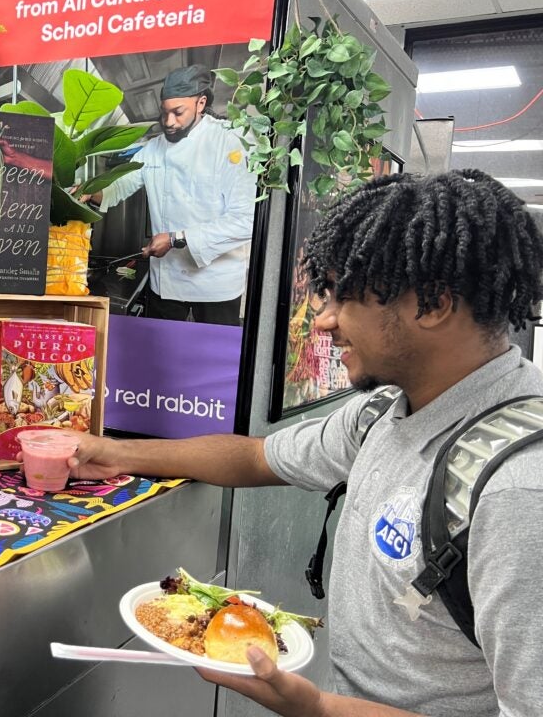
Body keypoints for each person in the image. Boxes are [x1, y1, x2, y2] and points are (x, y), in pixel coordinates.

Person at [64, 170, 543, 716]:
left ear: (432, 305)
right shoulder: (384, 413)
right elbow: (254, 456)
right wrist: (116, 452)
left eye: (344, 298)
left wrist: (316, 709)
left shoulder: (519, 491)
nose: (323, 322)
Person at [90, 63, 258, 325]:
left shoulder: (230, 142)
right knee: (162, 354)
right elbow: (121, 185)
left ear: (201, 103)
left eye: (178, 113)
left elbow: (246, 220)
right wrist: (90, 193)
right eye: (164, 112)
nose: (169, 122)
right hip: (166, 282)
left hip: (216, 284)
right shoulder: (154, 148)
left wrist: (176, 238)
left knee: (210, 359)